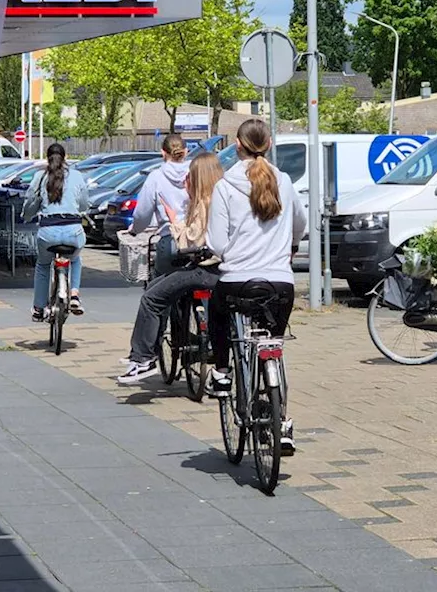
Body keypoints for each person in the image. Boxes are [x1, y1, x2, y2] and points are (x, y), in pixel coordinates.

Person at [205, 119, 307, 453]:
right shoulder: (286, 181)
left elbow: (218, 242)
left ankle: (221, 371)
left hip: (237, 282)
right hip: (280, 284)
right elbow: (300, 224)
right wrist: (288, 245)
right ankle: (281, 418)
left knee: (217, 310)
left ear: (237, 145)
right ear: (270, 143)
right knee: (273, 345)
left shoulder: (225, 185)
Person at [117, 153, 224, 384]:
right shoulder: (227, 197)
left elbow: (191, 241)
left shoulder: (204, 201)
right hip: (231, 271)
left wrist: (174, 220)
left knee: (152, 296)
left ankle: (144, 358)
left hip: (206, 270)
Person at [22, 143, 89, 320]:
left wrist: (27, 216)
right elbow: (83, 204)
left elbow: (30, 202)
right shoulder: (76, 176)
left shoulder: (40, 177)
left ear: (47, 157)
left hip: (48, 233)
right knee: (75, 259)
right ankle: (74, 295)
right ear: (65, 157)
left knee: (43, 266)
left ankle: (38, 307)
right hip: (73, 231)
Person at [130, 134, 192, 273]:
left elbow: (143, 213)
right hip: (196, 239)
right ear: (186, 151)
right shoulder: (195, 172)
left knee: (157, 290)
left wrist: (135, 229)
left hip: (170, 239)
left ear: (163, 153)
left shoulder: (156, 177)